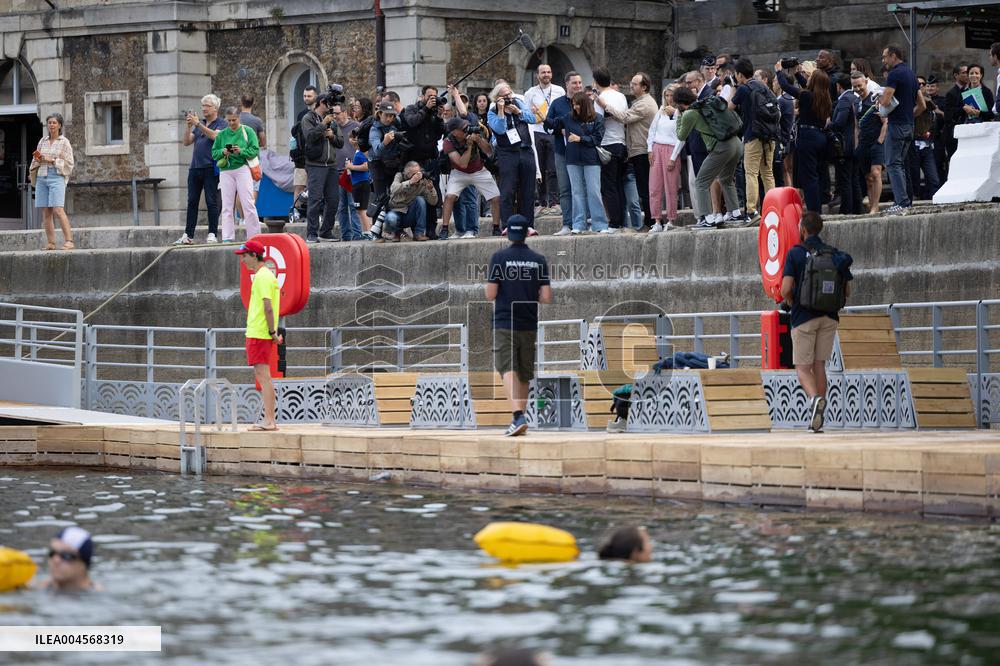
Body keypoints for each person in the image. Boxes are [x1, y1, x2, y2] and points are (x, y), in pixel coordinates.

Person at [780, 212, 854, 433]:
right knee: (819, 365)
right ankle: (819, 414)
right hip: (829, 317)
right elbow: (847, 290)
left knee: (802, 369)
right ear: (819, 229)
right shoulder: (834, 254)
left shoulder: (795, 253)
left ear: (802, 229)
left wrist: (793, 303)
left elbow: (785, 289)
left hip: (804, 318)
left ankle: (814, 402)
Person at [486, 215, 552, 437]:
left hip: (505, 320)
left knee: (506, 367)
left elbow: (490, 294)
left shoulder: (498, 258)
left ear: (507, 234)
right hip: (528, 321)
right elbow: (546, 297)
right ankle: (521, 417)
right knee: (524, 373)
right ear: (527, 233)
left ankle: (517, 415)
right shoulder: (539, 260)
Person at [673, 85, 743, 230]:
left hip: (721, 147)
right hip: (736, 143)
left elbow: (681, 135)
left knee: (701, 182)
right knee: (726, 179)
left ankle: (707, 218)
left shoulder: (689, 113)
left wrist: (678, 117)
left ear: (679, 104)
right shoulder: (707, 103)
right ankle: (734, 213)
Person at [598, 72, 657, 231]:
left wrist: (605, 106)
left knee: (645, 189)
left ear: (644, 87)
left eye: (635, 84)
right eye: (631, 82)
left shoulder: (644, 103)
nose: (631, 85)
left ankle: (651, 222)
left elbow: (625, 117)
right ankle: (650, 222)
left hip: (642, 150)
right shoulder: (639, 101)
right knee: (642, 189)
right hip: (636, 150)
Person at [236, 239, 282, 431]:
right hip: (261, 333)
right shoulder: (267, 276)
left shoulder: (262, 277)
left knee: (264, 377)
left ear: (254, 255)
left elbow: (268, 308)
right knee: (264, 376)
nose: (243, 260)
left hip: (259, 333)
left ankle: (269, 420)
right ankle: (270, 420)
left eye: (245, 256)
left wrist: (272, 333)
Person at [547, 92, 607, 234]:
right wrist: (541, 116)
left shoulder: (598, 118)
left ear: (585, 104)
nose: (575, 107)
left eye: (577, 104)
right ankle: (579, 224)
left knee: (593, 191)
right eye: (573, 104)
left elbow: (597, 139)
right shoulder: (568, 117)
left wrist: (581, 139)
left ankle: (600, 224)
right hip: (572, 159)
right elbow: (554, 123)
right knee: (577, 192)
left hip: (591, 160)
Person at [776, 60, 831, 213]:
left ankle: (814, 210)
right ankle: (817, 206)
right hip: (820, 137)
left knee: (809, 177)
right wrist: (796, 73)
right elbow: (805, 86)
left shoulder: (807, 96)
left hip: (807, 137)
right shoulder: (824, 97)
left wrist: (779, 71)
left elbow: (786, 87)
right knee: (817, 174)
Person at [730, 59, 779, 223]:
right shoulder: (762, 86)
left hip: (753, 135)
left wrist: (731, 88)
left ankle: (751, 211)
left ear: (739, 74)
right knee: (768, 173)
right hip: (770, 134)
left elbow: (729, 106)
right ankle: (773, 209)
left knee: (751, 173)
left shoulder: (743, 88)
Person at [488, 82, 538, 235]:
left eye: (510, 94)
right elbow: (500, 129)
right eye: (504, 96)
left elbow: (532, 119)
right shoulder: (492, 112)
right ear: (497, 98)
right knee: (508, 190)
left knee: (528, 190)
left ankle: (528, 225)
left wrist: (518, 112)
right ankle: (508, 225)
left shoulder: (519, 103)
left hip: (525, 150)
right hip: (507, 153)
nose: (509, 98)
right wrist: (502, 111)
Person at [879, 43, 923, 216]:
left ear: (893, 56)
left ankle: (901, 203)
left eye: (885, 56)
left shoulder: (894, 74)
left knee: (893, 164)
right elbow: (922, 104)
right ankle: (906, 201)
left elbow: (886, 100)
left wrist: (879, 98)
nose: (883, 60)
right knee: (901, 165)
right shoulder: (911, 74)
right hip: (909, 125)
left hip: (896, 125)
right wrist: (909, 116)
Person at [439, 117, 501, 238]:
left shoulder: (474, 133)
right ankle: (444, 229)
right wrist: (469, 146)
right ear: (454, 132)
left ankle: (496, 228)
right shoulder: (448, 142)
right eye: (463, 129)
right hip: (459, 172)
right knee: (449, 197)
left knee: (496, 198)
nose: (466, 130)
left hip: (479, 171)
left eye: (466, 127)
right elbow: (462, 164)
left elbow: (489, 152)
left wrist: (479, 140)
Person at [176, 94, 224, 245]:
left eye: (207, 106)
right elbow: (186, 142)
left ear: (215, 108)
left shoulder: (221, 123)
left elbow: (215, 136)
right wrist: (189, 126)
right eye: (202, 106)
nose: (203, 108)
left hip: (211, 167)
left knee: (212, 202)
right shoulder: (200, 123)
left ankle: (212, 234)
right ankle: (188, 235)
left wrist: (198, 125)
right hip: (195, 167)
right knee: (192, 202)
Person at [211, 106, 260, 242]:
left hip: (242, 168)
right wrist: (223, 152)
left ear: (239, 118)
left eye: (234, 120)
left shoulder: (248, 131)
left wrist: (241, 151)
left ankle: (254, 236)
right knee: (227, 205)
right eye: (229, 120)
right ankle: (227, 237)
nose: (232, 123)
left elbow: (255, 150)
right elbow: (214, 153)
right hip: (226, 170)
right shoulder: (221, 134)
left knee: (248, 204)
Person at [403, 86, 446, 239]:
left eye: (434, 96)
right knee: (417, 195)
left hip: (432, 160)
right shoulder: (411, 109)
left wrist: (440, 117)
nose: (432, 99)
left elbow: (441, 132)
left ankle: (431, 230)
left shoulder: (434, 112)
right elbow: (412, 122)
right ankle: (418, 230)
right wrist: (426, 109)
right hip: (416, 162)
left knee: (432, 194)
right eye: (429, 96)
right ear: (422, 97)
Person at [544, 71, 584, 236]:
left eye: (580, 83)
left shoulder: (586, 101)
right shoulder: (557, 103)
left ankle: (582, 222)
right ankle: (567, 224)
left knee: (582, 189)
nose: (578, 86)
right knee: (565, 189)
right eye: (574, 83)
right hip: (562, 152)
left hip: (583, 152)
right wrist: (558, 129)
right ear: (566, 84)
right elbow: (547, 125)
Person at [300, 94, 343, 242]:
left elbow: (340, 142)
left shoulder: (333, 120)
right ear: (321, 103)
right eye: (329, 104)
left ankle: (326, 231)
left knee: (334, 200)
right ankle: (311, 233)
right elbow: (310, 137)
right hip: (315, 165)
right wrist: (323, 124)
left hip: (331, 165)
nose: (331, 108)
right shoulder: (308, 118)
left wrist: (332, 136)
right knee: (315, 199)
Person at [29, 112, 75, 251]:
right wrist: (32, 171)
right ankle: (51, 243)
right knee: (46, 211)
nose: (52, 125)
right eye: (49, 123)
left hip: (56, 177)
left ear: (60, 125)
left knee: (58, 209)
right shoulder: (42, 141)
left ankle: (69, 241)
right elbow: (35, 158)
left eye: (54, 123)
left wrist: (53, 160)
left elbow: (69, 164)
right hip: (42, 177)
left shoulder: (64, 142)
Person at [524, 64, 565, 215]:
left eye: (548, 72)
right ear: (537, 75)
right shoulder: (530, 92)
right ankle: (541, 202)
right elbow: (526, 114)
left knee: (553, 169)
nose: (546, 74)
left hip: (553, 132)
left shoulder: (559, 90)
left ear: (551, 74)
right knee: (539, 169)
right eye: (543, 72)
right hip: (536, 132)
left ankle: (554, 202)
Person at [591, 66, 628, 233]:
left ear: (596, 82)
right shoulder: (621, 96)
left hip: (607, 144)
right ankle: (620, 220)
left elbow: (597, 121)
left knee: (608, 185)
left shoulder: (600, 98)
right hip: (621, 141)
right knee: (618, 183)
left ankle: (614, 222)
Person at [647, 85, 683, 232]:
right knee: (654, 187)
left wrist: (673, 158)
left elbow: (682, 137)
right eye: (667, 95)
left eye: (672, 95)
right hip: (657, 148)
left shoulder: (681, 114)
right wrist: (649, 149)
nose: (669, 98)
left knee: (671, 187)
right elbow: (652, 131)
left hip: (671, 149)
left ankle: (670, 219)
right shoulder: (660, 112)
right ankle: (656, 220)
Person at [852, 71, 887, 215]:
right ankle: (872, 204)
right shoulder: (856, 102)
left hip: (876, 142)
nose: (858, 89)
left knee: (876, 173)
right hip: (863, 144)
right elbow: (856, 126)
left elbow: (886, 122)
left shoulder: (875, 100)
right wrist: (856, 144)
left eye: (859, 85)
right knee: (868, 178)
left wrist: (880, 141)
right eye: (855, 87)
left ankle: (875, 206)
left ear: (866, 82)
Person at [378, 160, 437, 242]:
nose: (418, 176)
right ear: (407, 174)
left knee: (420, 200)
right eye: (415, 174)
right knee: (391, 218)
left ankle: (419, 234)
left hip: (409, 214)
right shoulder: (400, 176)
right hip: (396, 212)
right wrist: (410, 182)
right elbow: (393, 188)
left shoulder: (422, 182)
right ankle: (396, 233)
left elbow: (433, 202)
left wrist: (431, 189)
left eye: (419, 172)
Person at [830, 73, 861, 214]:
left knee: (846, 179)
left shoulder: (845, 100)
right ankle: (857, 208)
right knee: (854, 179)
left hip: (846, 145)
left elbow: (840, 122)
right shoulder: (856, 98)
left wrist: (828, 124)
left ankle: (847, 209)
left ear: (838, 86)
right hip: (856, 144)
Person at [332, 103, 362, 241]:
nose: (335, 116)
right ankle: (346, 235)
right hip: (336, 172)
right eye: (333, 113)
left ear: (344, 112)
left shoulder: (356, 126)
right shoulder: (332, 127)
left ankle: (357, 234)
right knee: (341, 207)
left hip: (352, 172)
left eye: (337, 113)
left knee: (353, 205)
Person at [909, 76, 941, 202]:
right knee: (914, 177)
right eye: (918, 84)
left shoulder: (930, 104)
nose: (921, 86)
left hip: (927, 145)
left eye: (923, 83)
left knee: (934, 179)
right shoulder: (909, 102)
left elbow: (935, 121)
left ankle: (936, 202)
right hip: (914, 144)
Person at [41, 527, 98, 592]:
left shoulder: (97, 597)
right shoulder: (39, 588)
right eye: (52, 553)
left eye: (66, 556)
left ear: (84, 564)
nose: (56, 560)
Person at [292, 85, 318, 202]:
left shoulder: (320, 114)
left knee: (316, 188)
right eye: (304, 96)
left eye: (309, 96)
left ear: (316, 96)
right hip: (301, 157)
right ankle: (296, 214)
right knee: (299, 186)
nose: (306, 98)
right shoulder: (301, 114)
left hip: (317, 156)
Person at [345, 128, 372, 237]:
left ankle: (368, 232)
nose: (353, 140)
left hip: (361, 183)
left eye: (355, 138)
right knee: (361, 209)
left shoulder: (360, 152)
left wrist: (352, 166)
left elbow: (366, 166)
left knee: (362, 209)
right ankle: (366, 230)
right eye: (351, 138)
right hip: (358, 183)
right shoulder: (358, 153)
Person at [943, 63, 970, 160]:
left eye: (968, 73)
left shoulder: (972, 90)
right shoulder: (951, 93)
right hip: (955, 135)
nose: (967, 75)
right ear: (956, 75)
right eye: (964, 73)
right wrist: (964, 109)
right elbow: (948, 116)